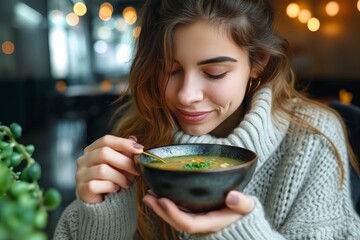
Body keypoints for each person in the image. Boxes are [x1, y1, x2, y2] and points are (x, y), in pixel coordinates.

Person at [54, 0, 360, 239]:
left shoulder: (313, 139)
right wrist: (99, 217)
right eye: (169, 70)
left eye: (214, 73)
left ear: (258, 63)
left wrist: (238, 233)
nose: (187, 95)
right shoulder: (134, 138)